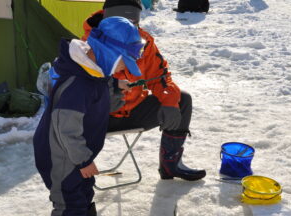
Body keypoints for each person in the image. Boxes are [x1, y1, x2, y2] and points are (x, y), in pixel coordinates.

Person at [33, 16, 144, 216]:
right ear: (106, 53)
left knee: (83, 192)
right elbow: (66, 129)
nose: (120, 69)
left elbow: (101, 90)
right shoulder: (78, 84)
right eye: (119, 64)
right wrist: (83, 160)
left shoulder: (93, 72)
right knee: (68, 202)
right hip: (60, 155)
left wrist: (116, 86)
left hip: (76, 154)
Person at [81, 0, 206, 181]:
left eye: (133, 23)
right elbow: (80, 93)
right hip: (100, 118)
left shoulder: (143, 42)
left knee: (182, 100)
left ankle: (170, 165)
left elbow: (160, 77)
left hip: (135, 111)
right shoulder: (89, 45)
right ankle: (77, 180)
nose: (130, 28)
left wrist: (169, 102)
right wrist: (105, 99)